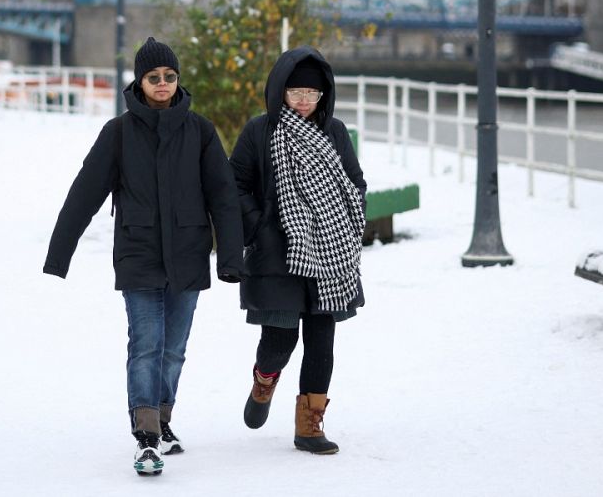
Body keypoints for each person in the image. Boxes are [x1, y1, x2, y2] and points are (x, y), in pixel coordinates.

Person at [44, 37, 244, 477]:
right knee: (147, 344)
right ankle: (147, 437)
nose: (163, 84)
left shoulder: (201, 131)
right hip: (138, 254)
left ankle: (164, 420)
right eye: (154, 77)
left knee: (174, 350)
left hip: (189, 254)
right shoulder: (118, 133)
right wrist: (60, 253)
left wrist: (231, 256)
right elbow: (85, 192)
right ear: (140, 80)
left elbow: (223, 198)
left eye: (170, 77)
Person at [231, 47, 365, 455]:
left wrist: (340, 222)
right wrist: (261, 226)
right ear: (280, 91)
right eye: (297, 92)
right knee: (280, 339)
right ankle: (264, 379)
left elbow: (354, 182)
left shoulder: (334, 131)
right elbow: (234, 186)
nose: (305, 101)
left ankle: (309, 426)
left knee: (322, 341)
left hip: (330, 255)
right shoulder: (260, 131)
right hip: (278, 256)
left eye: (313, 93)